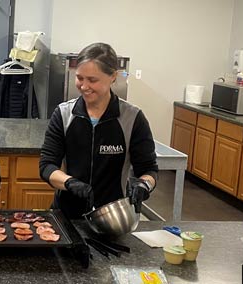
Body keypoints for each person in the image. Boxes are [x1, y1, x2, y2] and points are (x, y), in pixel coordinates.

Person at [39, 42, 159, 219]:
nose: (84, 86)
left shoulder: (132, 118)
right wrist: (70, 183)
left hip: (113, 216)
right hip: (66, 215)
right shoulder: (64, 114)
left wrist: (144, 185)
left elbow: (149, 169)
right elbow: (47, 166)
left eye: (92, 80)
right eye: (80, 78)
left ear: (113, 77)